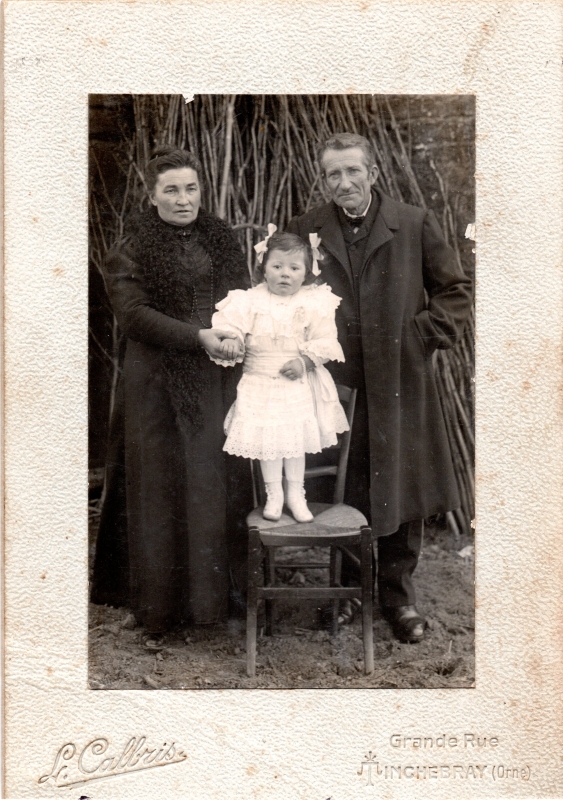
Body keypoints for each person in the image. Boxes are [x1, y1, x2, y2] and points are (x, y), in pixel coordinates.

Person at [287, 132, 473, 643]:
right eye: (333, 175)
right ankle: (346, 594)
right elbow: (284, 293)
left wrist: (420, 337)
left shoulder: (412, 223)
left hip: (399, 380)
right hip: (338, 383)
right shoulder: (306, 230)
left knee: (400, 484)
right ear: (322, 180)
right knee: (345, 485)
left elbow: (455, 290)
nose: (343, 183)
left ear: (373, 172)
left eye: (352, 171)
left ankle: (398, 598)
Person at [90, 145, 251, 649]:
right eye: (172, 190)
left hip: (213, 377)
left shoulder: (219, 237)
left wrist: (233, 332)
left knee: (207, 483)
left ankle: (209, 608)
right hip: (156, 382)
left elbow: (239, 294)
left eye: (191, 189)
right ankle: (159, 611)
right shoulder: (132, 246)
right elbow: (133, 314)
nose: (184, 200)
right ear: (152, 194)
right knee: (159, 489)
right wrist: (195, 336)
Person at [209, 228, 349, 523]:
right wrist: (232, 338)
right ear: (264, 268)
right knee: (268, 442)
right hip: (258, 383)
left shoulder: (313, 301)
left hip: (294, 383)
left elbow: (326, 341)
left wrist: (306, 361)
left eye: (294, 268)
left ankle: (297, 493)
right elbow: (230, 324)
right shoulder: (249, 300)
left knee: (294, 440)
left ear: (306, 272)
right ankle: (274, 495)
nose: (285, 274)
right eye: (277, 266)